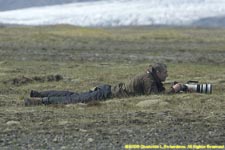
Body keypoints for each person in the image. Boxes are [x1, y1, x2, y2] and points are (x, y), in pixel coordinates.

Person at [24, 62, 182, 106]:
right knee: (73, 100)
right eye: (165, 72)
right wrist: (173, 91)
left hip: (106, 90)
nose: (167, 75)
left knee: (73, 95)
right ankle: (39, 101)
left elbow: (157, 91)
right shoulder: (148, 79)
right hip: (106, 94)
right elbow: (154, 97)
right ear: (158, 72)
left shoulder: (150, 77)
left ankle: (39, 94)